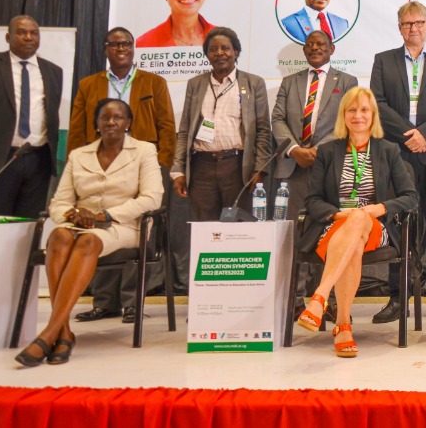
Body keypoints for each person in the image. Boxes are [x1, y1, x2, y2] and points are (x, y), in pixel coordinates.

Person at [14, 98, 164, 367]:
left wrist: (105, 215)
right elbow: (59, 202)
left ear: (128, 123)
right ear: (97, 124)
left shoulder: (144, 151)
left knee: (88, 242)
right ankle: (64, 333)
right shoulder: (78, 155)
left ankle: (50, 333)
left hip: (123, 225)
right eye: (105, 118)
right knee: (58, 236)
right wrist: (72, 215)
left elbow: (152, 198)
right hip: (80, 224)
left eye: (118, 117)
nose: (111, 122)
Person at [295, 88, 419, 357]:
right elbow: (313, 200)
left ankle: (320, 297)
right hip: (336, 224)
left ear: (373, 115)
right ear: (344, 116)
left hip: (376, 226)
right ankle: (342, 327)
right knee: (352, 238)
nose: (358, 115)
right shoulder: (328, 151)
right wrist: (339, 215)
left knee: (360, 218)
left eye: (364, 110)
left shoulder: (388, 150)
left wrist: (379, 208)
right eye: (352, 110)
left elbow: (410, 198)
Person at [67, 27, 176, 325]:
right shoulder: (89, 85)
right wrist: (76, 171)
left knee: (134, 230)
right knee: (98, 225)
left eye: (126, 43)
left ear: (133, 48)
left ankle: (131, 302)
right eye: (114, 44)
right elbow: (77, 132)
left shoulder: (154, 82)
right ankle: (104, 302)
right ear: (106, 49)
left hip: (141, 174)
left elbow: (167, 128)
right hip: (98, 171)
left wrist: (160, 169)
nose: (121, 49)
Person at [370, 2, 426, 322]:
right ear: (399, 27)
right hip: (397, 155)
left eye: (420, 22)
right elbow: (377, 105)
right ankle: (398, 298)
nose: (414, 28)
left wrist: (425, 135)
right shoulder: (383, 61)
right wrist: (410, 135)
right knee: (399, 229)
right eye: (408, 24)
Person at [272, 30, 358, 313]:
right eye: (309, 44)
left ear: (332, 49)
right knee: (294, 234)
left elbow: (348, 120)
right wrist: (295, 149)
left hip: (330, 166)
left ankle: (331, 301)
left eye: (321, 44)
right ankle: (295, 301)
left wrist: (319, 151)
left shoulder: (347, 81)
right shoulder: (289, 82)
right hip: (293, 167)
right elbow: (278, 119)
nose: (315, 48)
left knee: (333, 232)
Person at [0, 15, 62, 218]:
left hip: (38, 160)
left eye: (34, 33)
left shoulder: (53, 71)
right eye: (21, 32)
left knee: (28, 227)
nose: (28, 37)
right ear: (8, 37)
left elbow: (51, 112)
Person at [171, 27, 272, 221]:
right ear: (207, 55)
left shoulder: (253, 83)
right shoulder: (196, 84)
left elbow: (262, 130)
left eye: (225, 48)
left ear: (236, 52)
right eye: (213, 49)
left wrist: (259, 170)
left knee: (237, 228)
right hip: (201, 167)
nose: (219, 53)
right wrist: (178, 169)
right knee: (204, 228)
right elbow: (184, 130)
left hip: (237, 167)